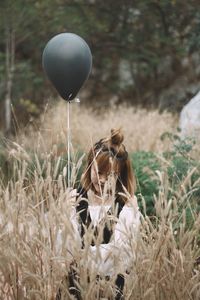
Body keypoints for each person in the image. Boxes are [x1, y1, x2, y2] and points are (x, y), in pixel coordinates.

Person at [56, 128, 140, 300]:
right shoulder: (75, 199)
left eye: (110, 175)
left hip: (109, 290)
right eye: (98, 172)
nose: (102, 180)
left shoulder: (126, 205)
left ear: (120, 177)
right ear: (89, 167)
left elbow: (121, 254)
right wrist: (63, 213)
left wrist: (81, 258)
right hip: (74, 290)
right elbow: (64, 250)